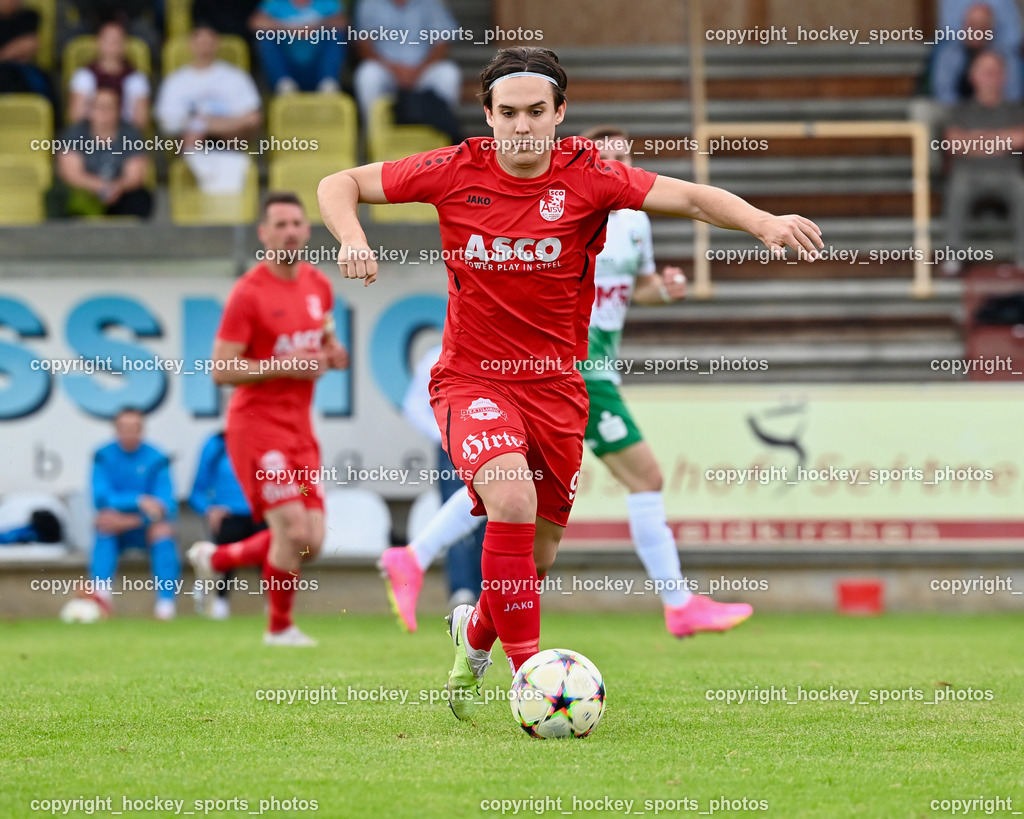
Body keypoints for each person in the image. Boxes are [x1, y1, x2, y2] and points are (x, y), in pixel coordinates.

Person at [317, 46, 822, 719]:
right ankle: (533, 677)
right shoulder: (453, 168)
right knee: (510, 497)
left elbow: (692, 197)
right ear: (488, 115)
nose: (521, 127)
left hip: (558, 388)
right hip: (474, 378)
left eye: (535, 112)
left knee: (538, 555)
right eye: (508, 113)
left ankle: (473, 643)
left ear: (559, 113)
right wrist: (352, 237)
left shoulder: (592, 175)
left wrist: (761, 221)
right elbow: (338, 183)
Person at [377, 124, 753, 637]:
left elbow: (635, 288)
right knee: (629, 479)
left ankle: (423, 566)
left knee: (520, 513)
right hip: (574, 368)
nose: (620, 170)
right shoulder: (570, 206)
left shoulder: (635, 222)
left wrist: (661, 291)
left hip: (589, 369)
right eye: (610, 159)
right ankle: (677, 601)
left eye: (627, 159)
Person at [188, 191, 349, 646]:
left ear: (307, 230)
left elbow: (327, 341)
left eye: (297, 223)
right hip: (256, 427)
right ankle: (279, 628)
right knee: (291, 529)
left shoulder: (319, 285)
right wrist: (283, 365)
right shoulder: (249, 293)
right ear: (264, 234)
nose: (290, 232)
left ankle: (216, 559)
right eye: (279, 224)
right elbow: (221, 369)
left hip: (300, 428)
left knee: (310, 542)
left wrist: (334, 355)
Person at [397, 344, 483, 625]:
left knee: (491, 516)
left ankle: (487, 593)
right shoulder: (435, 357)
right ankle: (461, 591)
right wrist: (445, 434)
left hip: (492, 442)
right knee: (457, 513)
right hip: (452, 446)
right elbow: (414, 405)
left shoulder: (493, 350)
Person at [88, 408, 179, 620]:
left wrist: (135, 519)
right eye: (124, 428)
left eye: (134, 428)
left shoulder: (157, 457)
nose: (129, 433)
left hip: (145, 526)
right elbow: (101, 498)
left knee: (164, 532)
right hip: (116, 526)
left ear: (142, 430)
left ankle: (165, 605)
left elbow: (166, 504)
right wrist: (139, 500)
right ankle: (101, 598)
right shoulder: (102, 456)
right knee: (104, 525)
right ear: (116, 430)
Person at [941, 50, 1024, 274]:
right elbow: (956, 145)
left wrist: (977, 139)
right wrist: (1001, 141)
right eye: (985, 72)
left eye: (995, 72)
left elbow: (1020, 139)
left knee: (1022, 191)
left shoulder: (1016, 110)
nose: (990, 77)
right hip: (968, 173)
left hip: (1008, 173)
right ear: (973, 76)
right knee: (957, 190)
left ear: (1004, 76)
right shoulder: (959, 110)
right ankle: (953, 255)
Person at [154, 24, 262, 194]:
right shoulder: (175, 81)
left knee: (199, 130)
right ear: (191, 44)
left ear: (217, 44)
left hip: (232, 141)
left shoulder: (236, 77)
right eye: (200, 41)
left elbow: (252, 118)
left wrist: (204, 123)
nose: (204, 47)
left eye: (209, 41)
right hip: (190, 143)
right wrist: (214, 125)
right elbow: (167, 122)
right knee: (191, 135)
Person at [188, 429, 264, 619]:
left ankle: (275, 606)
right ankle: (218, 603)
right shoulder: (216, 444)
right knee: (224, 552)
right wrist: (209, 509)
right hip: (229, 516)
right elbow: (197, 492)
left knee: (274, 554)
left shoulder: (267, 439)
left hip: (263, 513)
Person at [351, 0, 461, 125]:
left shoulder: (431, 3)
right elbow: (363, 44)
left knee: (449, 73)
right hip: (385, 69)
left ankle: (445, 129)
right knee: (367, 74)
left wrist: (418, 70)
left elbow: (442, 42)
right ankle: (372, 132)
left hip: (422, 70)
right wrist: (393, 69)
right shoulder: (369, 3)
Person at [56, 86, 154, 217]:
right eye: (99, 107)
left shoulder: (130, 134)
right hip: (85, 191)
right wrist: (98, 186)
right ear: (89, 110)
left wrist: (117, 187)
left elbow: (135, 174)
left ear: (119, 110)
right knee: (63, 195)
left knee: (140, 198)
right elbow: (71, 173)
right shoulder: (74, 133)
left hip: (120, 192)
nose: (104, 112)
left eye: (109, 107)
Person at [932, 1, 1023, 104]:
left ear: (991, 28)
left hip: (1000, 113)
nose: (976, 30)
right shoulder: (949, 54)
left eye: (982, 25)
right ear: (964, 25)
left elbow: (1014, 95)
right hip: (957, 113)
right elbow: (942, 93)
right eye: (972, 24)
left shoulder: (1006, 56)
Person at [249, 0, 347, 94]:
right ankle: (284, 85)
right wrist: (290, 29)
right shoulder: (275, 2)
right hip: (287, 63)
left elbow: (342, 21)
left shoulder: (326, 2)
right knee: (265, 36)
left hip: (318, 65)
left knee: (336, 34)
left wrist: (316, 26)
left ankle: (328, 83)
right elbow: (256, 22)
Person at [67, 19, 150, 129]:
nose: (111, 45)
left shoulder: (137, 79)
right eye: (107, 40)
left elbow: (141, 121)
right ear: (98, 42)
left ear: (125, 45)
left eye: (116, 41)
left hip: (124, 133)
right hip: (89, 132)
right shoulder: (83, 76)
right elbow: (76, 117)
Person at [0, 0, 50, 97]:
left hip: (22, 71)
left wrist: (3, 55)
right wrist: (14, 51)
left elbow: (30, 44)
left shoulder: (29, 16)